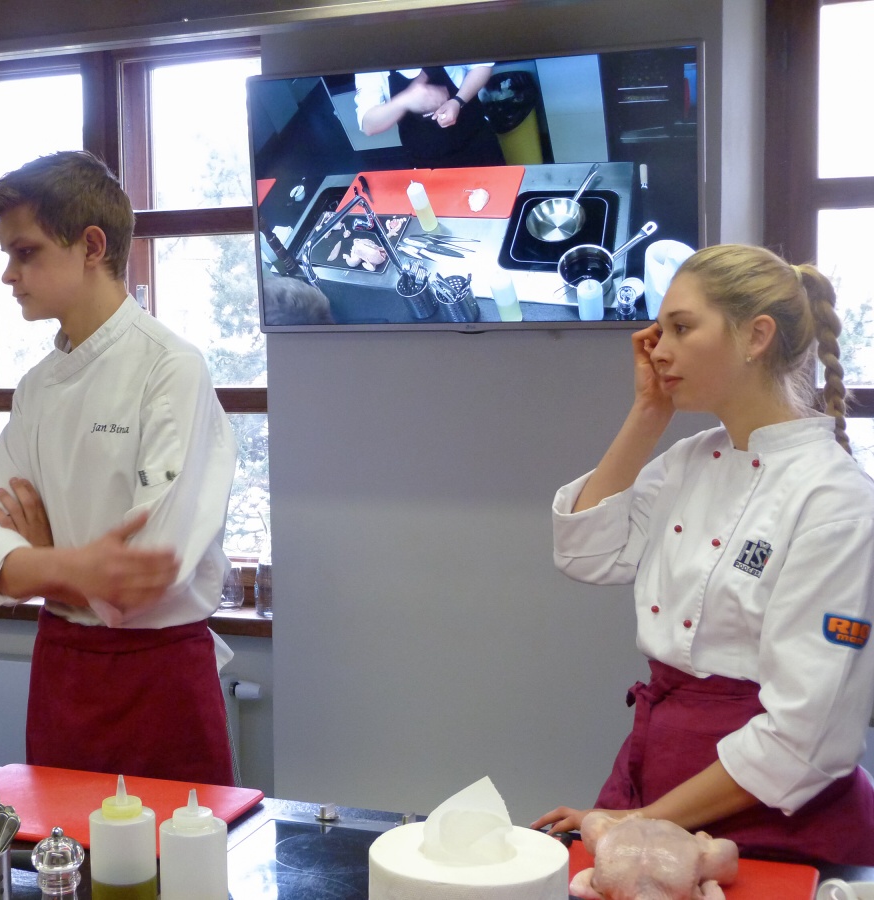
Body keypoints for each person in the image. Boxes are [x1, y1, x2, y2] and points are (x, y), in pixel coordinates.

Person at [531, 244, 874, 866]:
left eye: (681, 328)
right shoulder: (691, 459)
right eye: (659, 331)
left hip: (773, 813)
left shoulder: (834, 500)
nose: (657, 350)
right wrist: (648, 411)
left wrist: (636, 822)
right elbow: (586, 553)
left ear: (756, 337)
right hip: (663, 768)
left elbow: (806, 736)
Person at [0, 150, 238, 785]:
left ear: (91, 246)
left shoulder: (171, 368)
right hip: (63, 665)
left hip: (158, 678)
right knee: (57, 849)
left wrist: (39, 562)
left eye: (25, 252)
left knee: (173, 850)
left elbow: (145, 573)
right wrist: (74, 566)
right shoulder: (37, 387)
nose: (7, 275)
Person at [354, 64, 505, 169]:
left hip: (478, 146)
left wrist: (458, 101)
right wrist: (405, 100)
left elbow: (482, 66)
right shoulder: (371, 64)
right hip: (426, 164)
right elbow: (369, 125)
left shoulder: (441, 33)